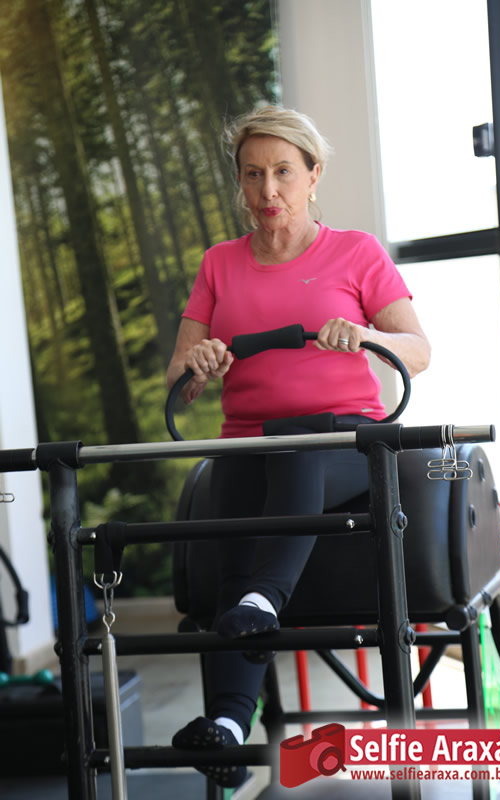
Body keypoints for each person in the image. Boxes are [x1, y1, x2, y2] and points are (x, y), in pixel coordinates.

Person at [166, 105, 431, 787]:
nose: (268, 190)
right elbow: (178, 379)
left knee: (297, 449)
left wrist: (366, 335)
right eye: (252, 175)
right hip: (245, 447)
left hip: (342, 441)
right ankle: (228, 728)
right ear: (240, 182)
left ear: (313, 175)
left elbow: (418, 349)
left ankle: (261, 599)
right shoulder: (219, 264)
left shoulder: (355, 252)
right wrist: (199, 365)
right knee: (234, 498)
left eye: (283, 172)